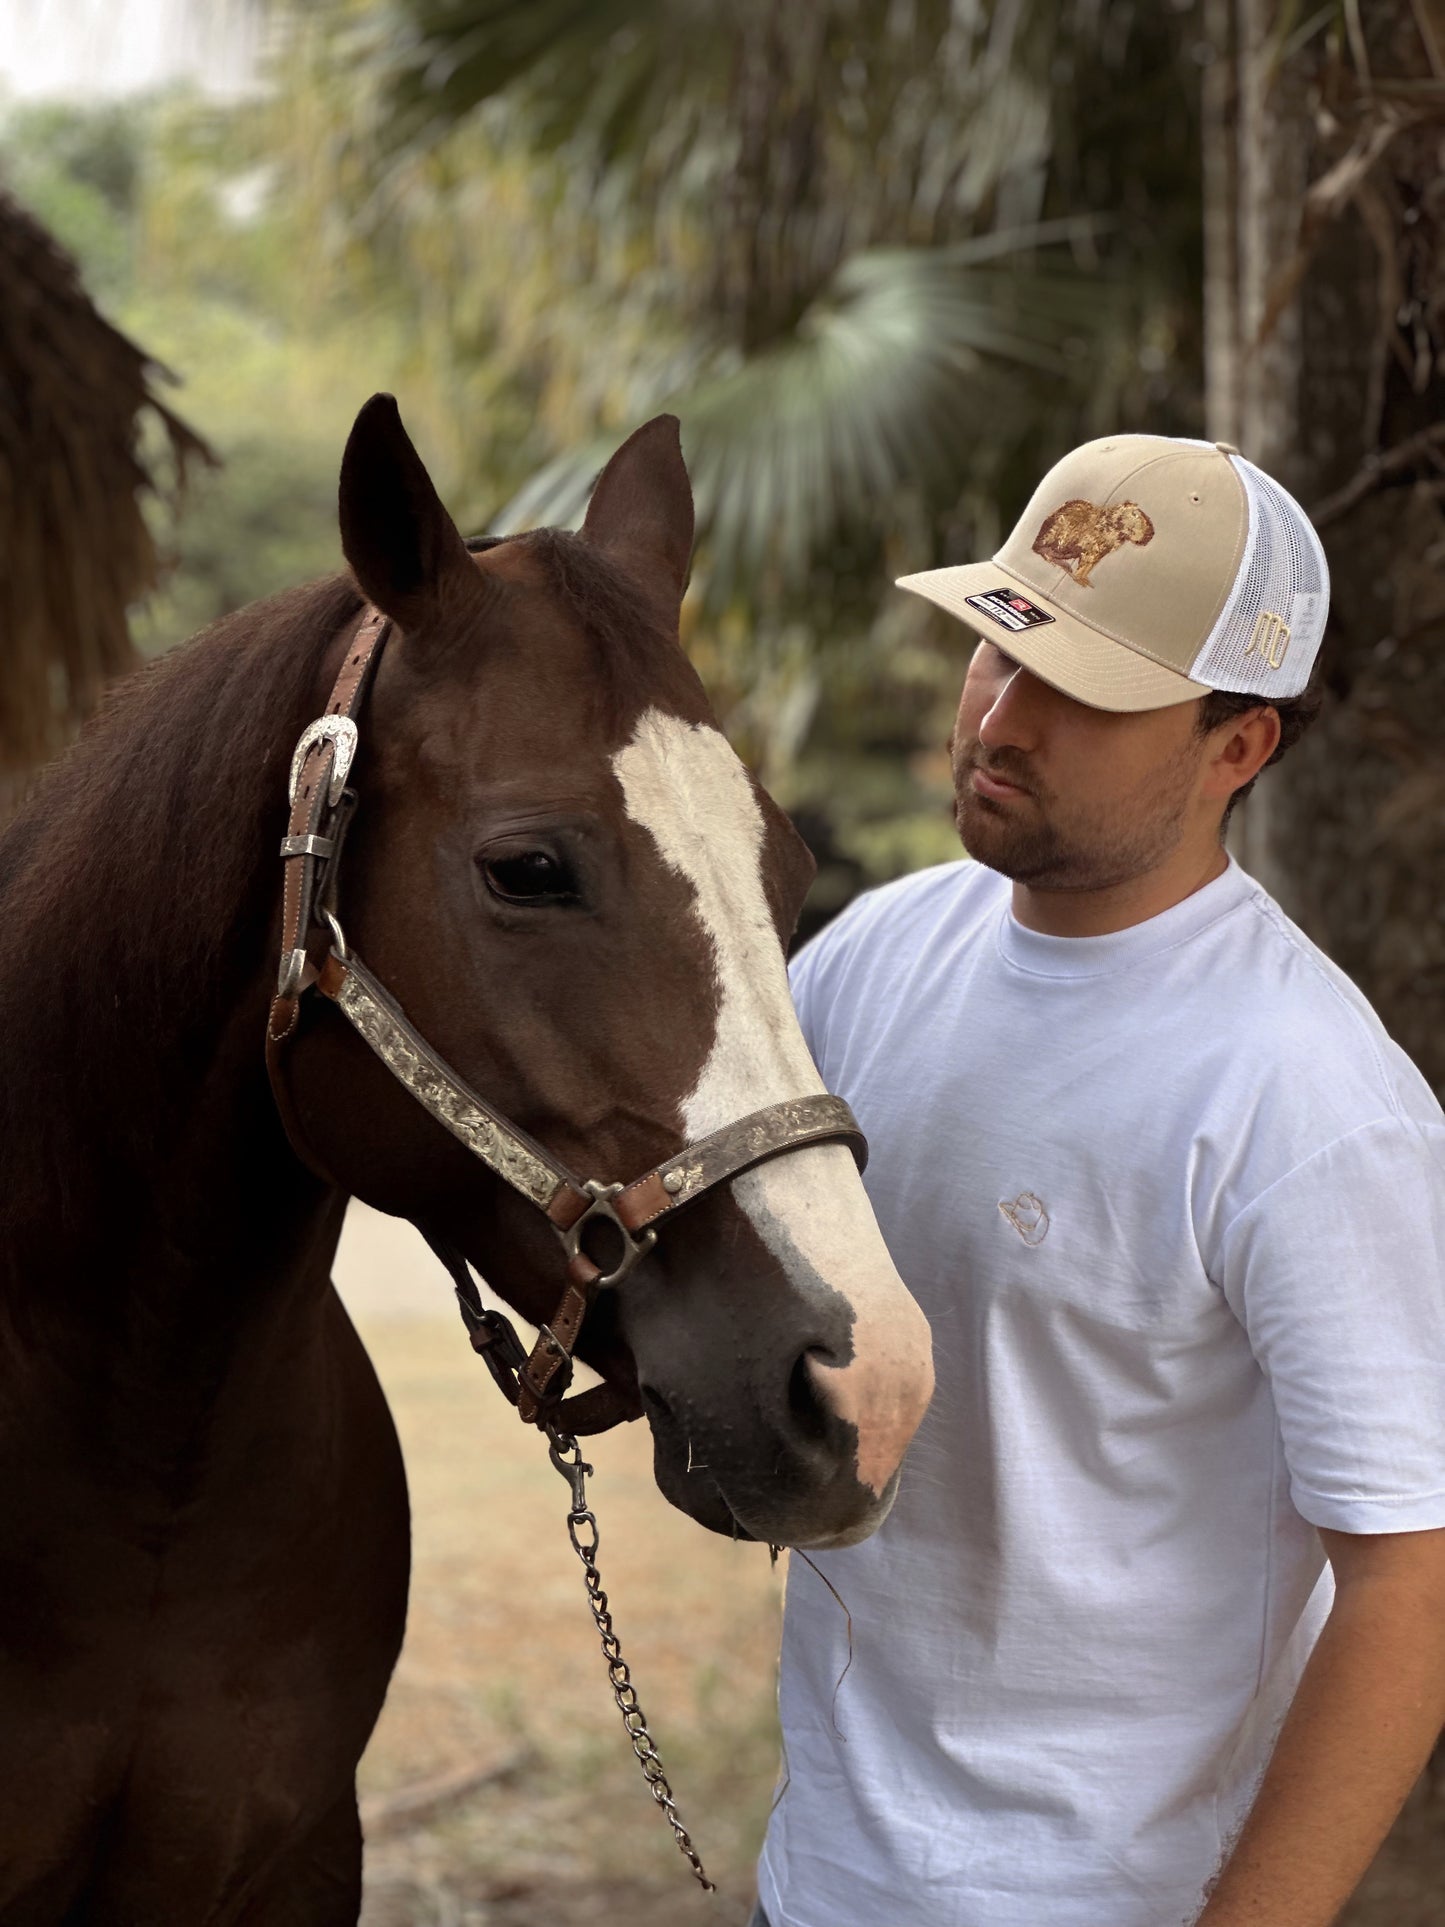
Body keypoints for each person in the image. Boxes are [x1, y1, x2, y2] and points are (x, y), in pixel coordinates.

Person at [751, 435, 1445, 1927]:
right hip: (817, 1883)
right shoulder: (871, 957)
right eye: (999, 646)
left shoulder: (1305, 1099)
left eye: (1086, 689)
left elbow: (1411, 1587)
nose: (1002, 717)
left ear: (1234, 748)